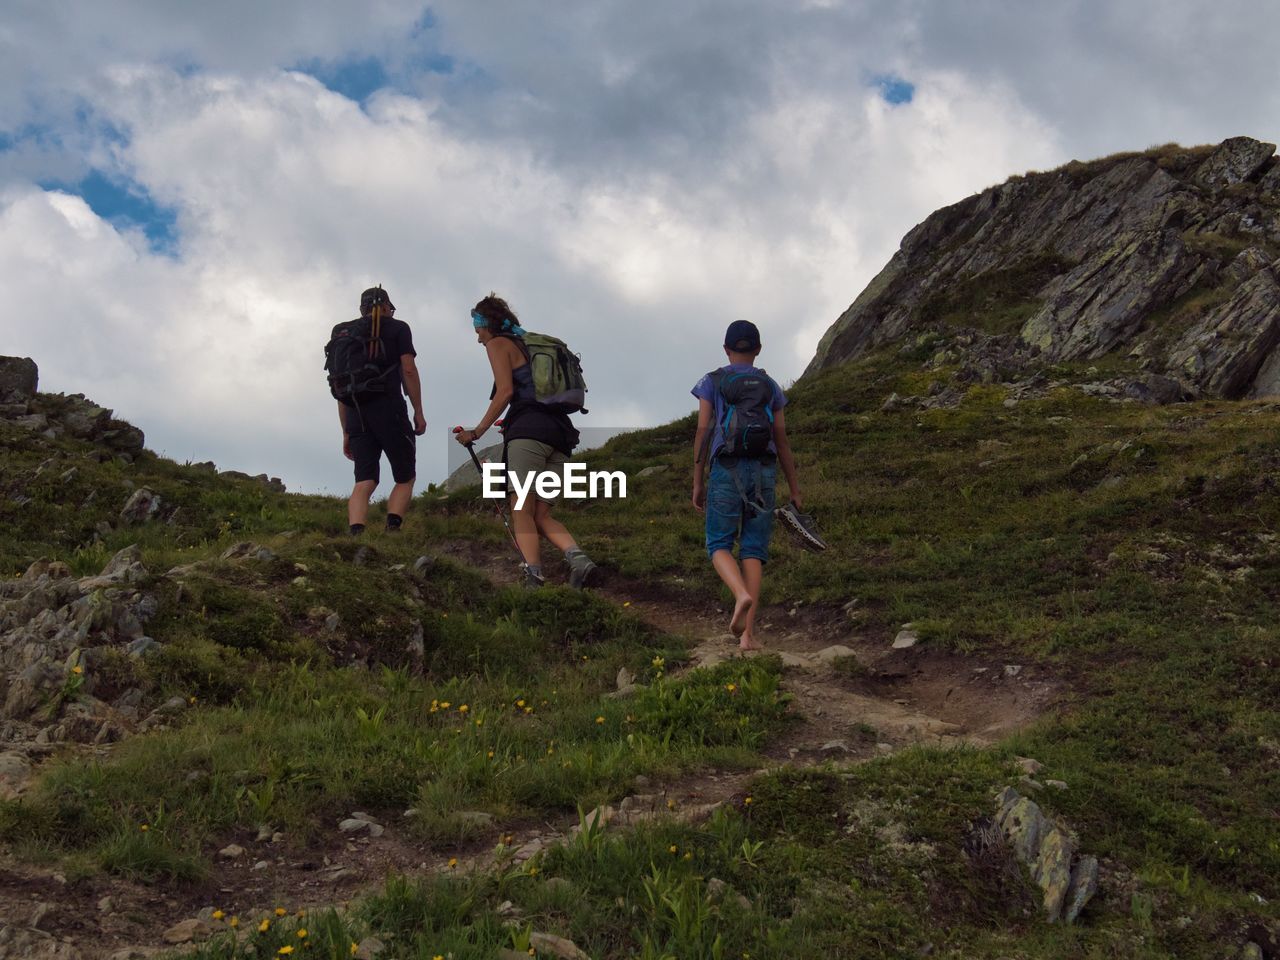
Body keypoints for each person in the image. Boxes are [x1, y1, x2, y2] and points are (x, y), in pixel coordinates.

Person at [453, 294, 599, 589]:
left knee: (520, 506)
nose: (478, 338)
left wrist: (477, 432)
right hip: (559, 436)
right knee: (541, 513)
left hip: (528, 433)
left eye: (478, 330)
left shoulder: (498, 344)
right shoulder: (528, 345)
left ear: (487, 325)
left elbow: (504, 392)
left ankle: (533, 575)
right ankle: (579, 560)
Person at [691, 320, 801, 651]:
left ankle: (740, 594)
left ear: (726, 349)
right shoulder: (770, 386)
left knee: (718, 543)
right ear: (758, 349)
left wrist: (697, 482)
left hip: (726, 468)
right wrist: (795, 488)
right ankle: (748, 637)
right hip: (764, 471)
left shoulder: (712, 381)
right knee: (753, 548)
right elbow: (781, 440)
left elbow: (703, 431)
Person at [334, 286, 426, 534]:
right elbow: (408, 369)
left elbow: (341, 387)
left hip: (355, 414)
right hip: (389, 409)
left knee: (365, 479)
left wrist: (346, 432)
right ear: (386, 307)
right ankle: (392, 528)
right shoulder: (398, 328)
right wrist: (418, 410)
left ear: (361, 309)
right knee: (405, 476)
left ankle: (356, 532)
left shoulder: (342, 333)